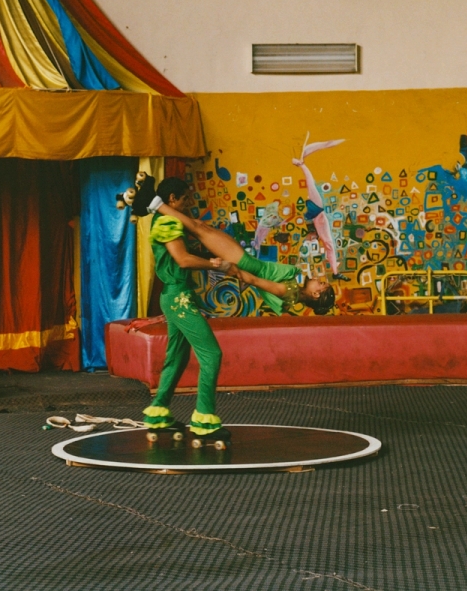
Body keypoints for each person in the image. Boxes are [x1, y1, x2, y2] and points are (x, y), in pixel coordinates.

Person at [135, 176, 335, 316]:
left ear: (315, 294)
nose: (320, 279)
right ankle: (149, 206)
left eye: (322, 284)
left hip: (244, 263)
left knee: (199, 229)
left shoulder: (290, 292)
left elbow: (254, 281)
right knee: (201, 228)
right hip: (247, 262)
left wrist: (233, 271)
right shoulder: (295, 288)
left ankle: (154, 204)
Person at [142, 178, 230, 446]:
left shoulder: (169, 221)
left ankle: (159, 412)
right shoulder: (168, 222)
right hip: (178, 296)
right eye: (185, 199)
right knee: (212, 354)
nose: (188, 203)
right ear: (172, 199)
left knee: (177, 357)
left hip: (177, 295)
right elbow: (182, 259)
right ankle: (204, 419)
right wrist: (212, 263)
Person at [292, 134, 345, 278]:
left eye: (311, 239)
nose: (311, 239)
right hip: (315, 211)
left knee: (310, 182)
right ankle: (301, 163)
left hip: (315, 211)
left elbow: (328, 247)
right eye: (312, 239)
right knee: (329, 245)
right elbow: (328, 246)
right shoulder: (319, 230)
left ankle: (301, 163)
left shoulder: (317, 228)